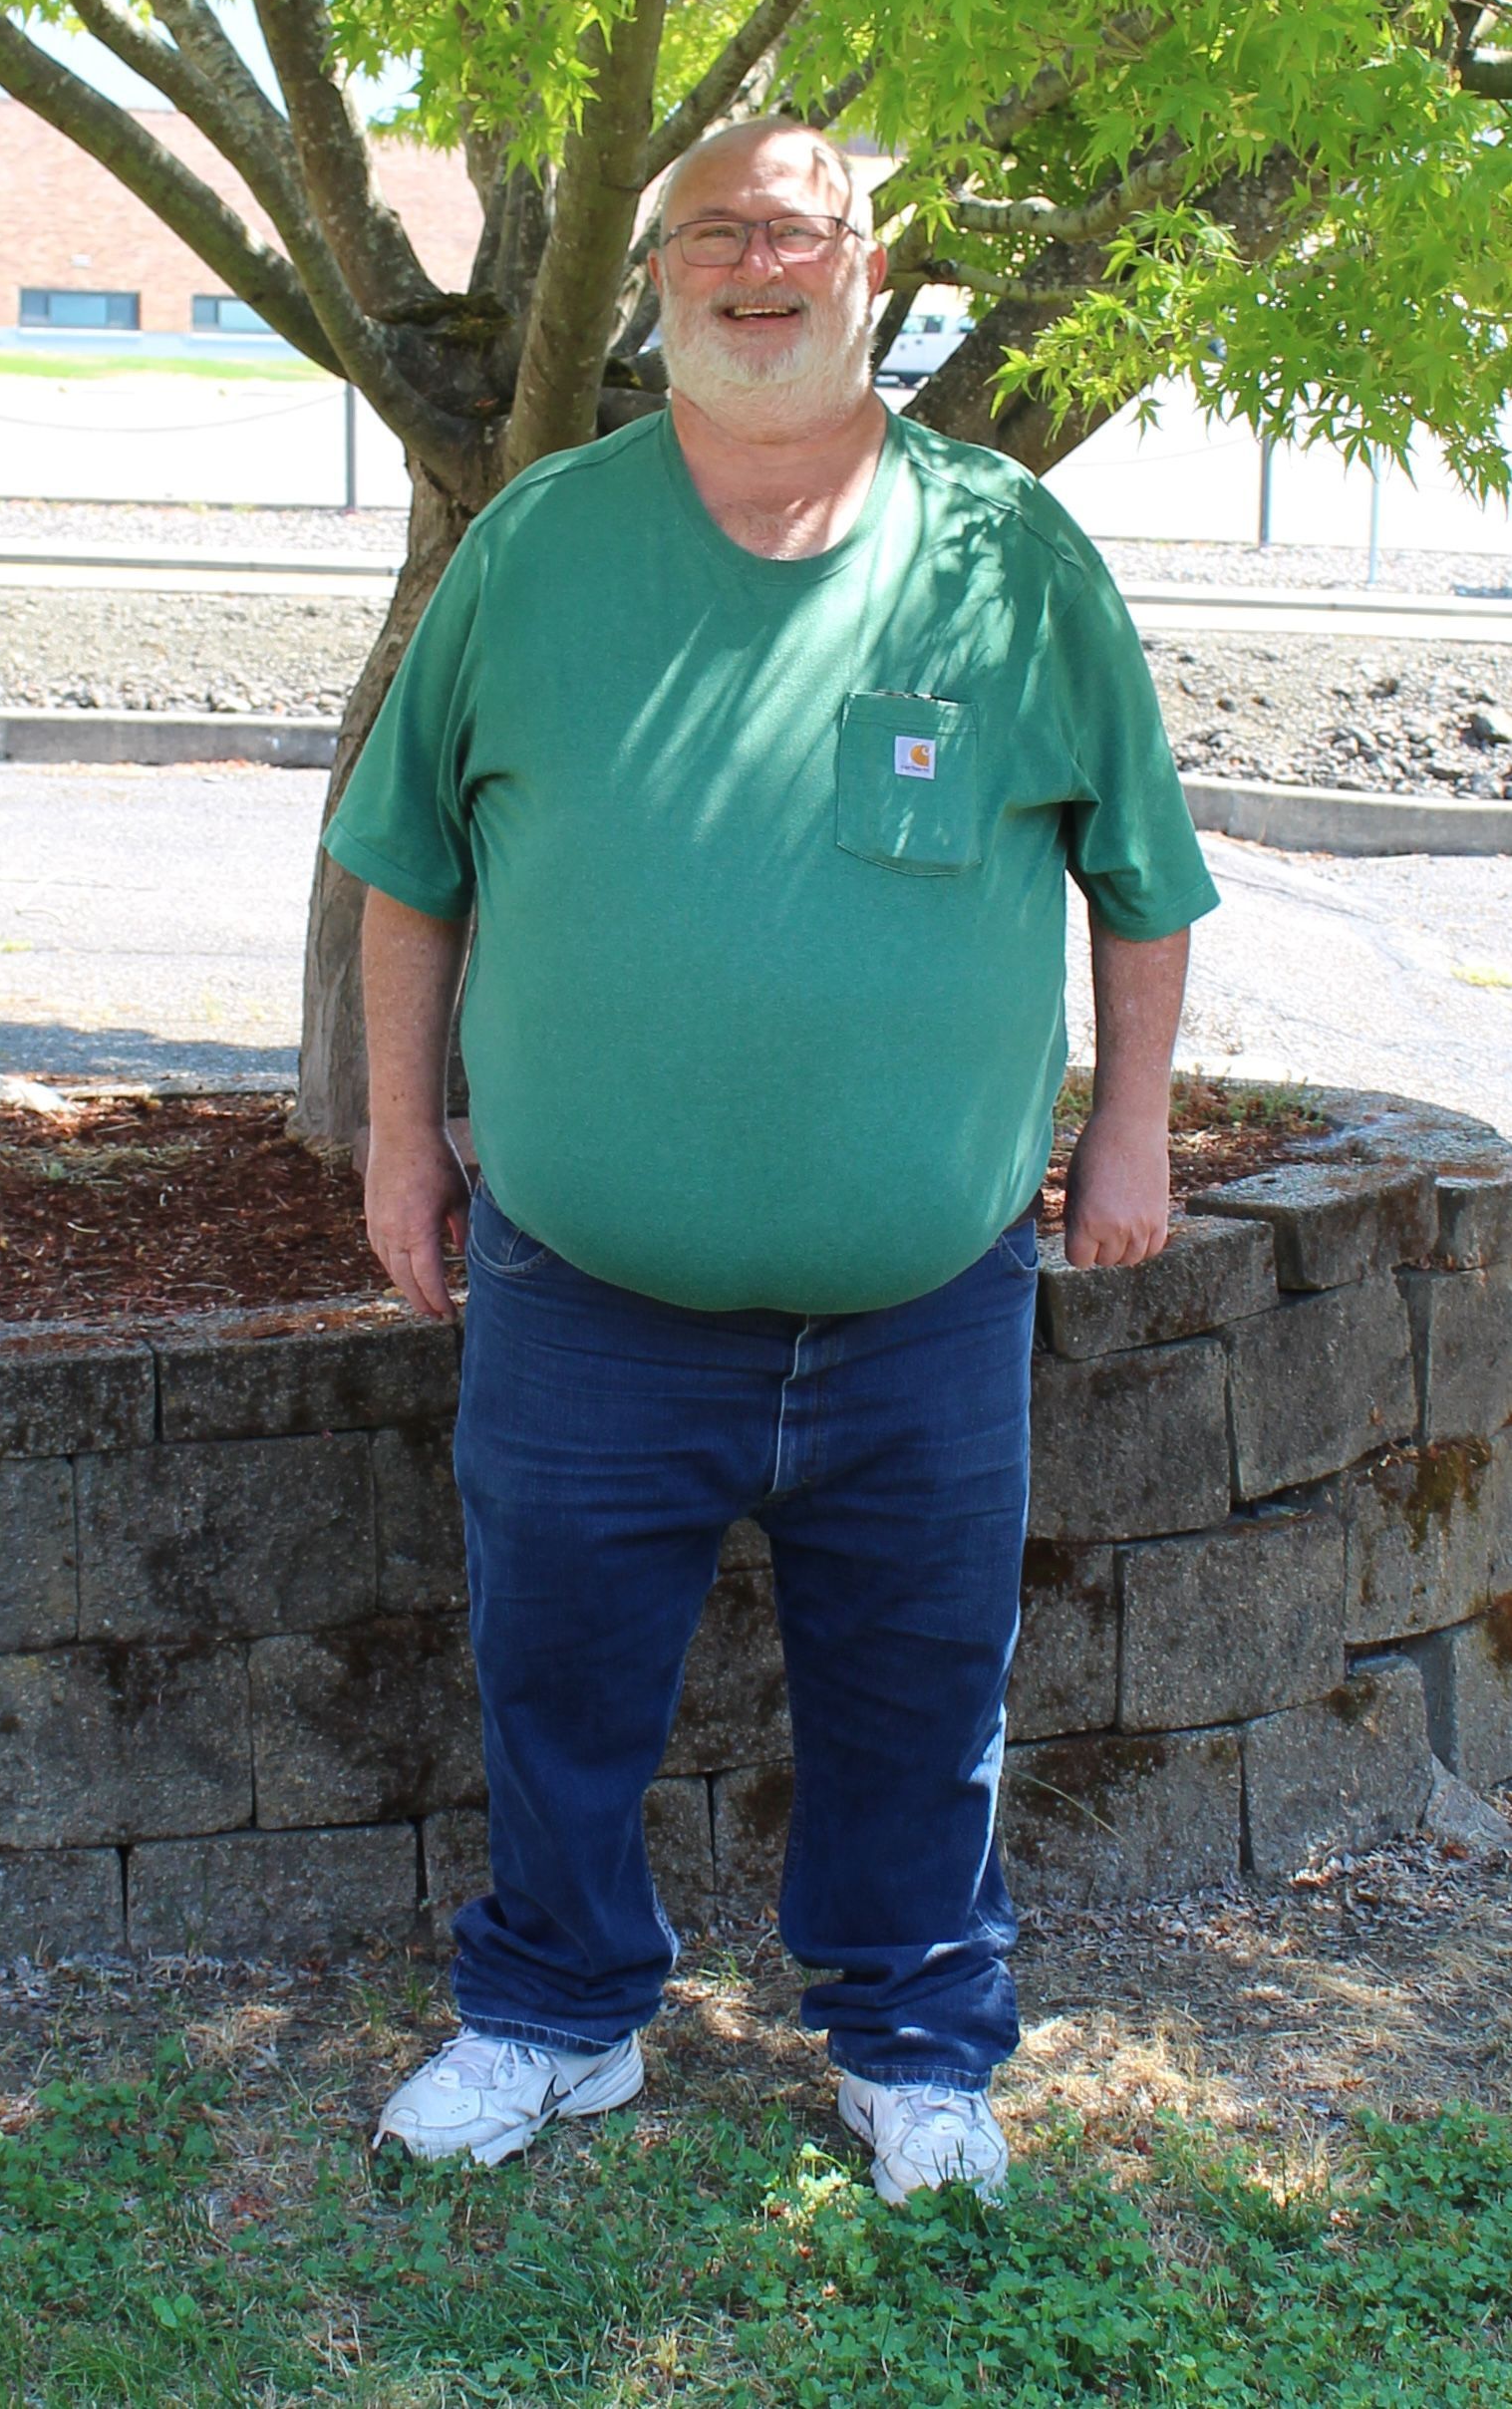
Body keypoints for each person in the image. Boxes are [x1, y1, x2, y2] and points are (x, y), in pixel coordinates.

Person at [324, 115, 1218, 2205]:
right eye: (711, 230)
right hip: (583, 1293)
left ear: (867, 272)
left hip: (925, 1298)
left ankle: (915, 2044)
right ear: (654, 275)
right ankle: (557, 2016)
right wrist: (398, 1142)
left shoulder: (1007, 554)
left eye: (796, 231)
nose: (754, 263)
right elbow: (407, 869)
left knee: (923, 1697)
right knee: (554, 1685)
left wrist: (1129, 1128)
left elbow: (1140, 876)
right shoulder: (536, 546)